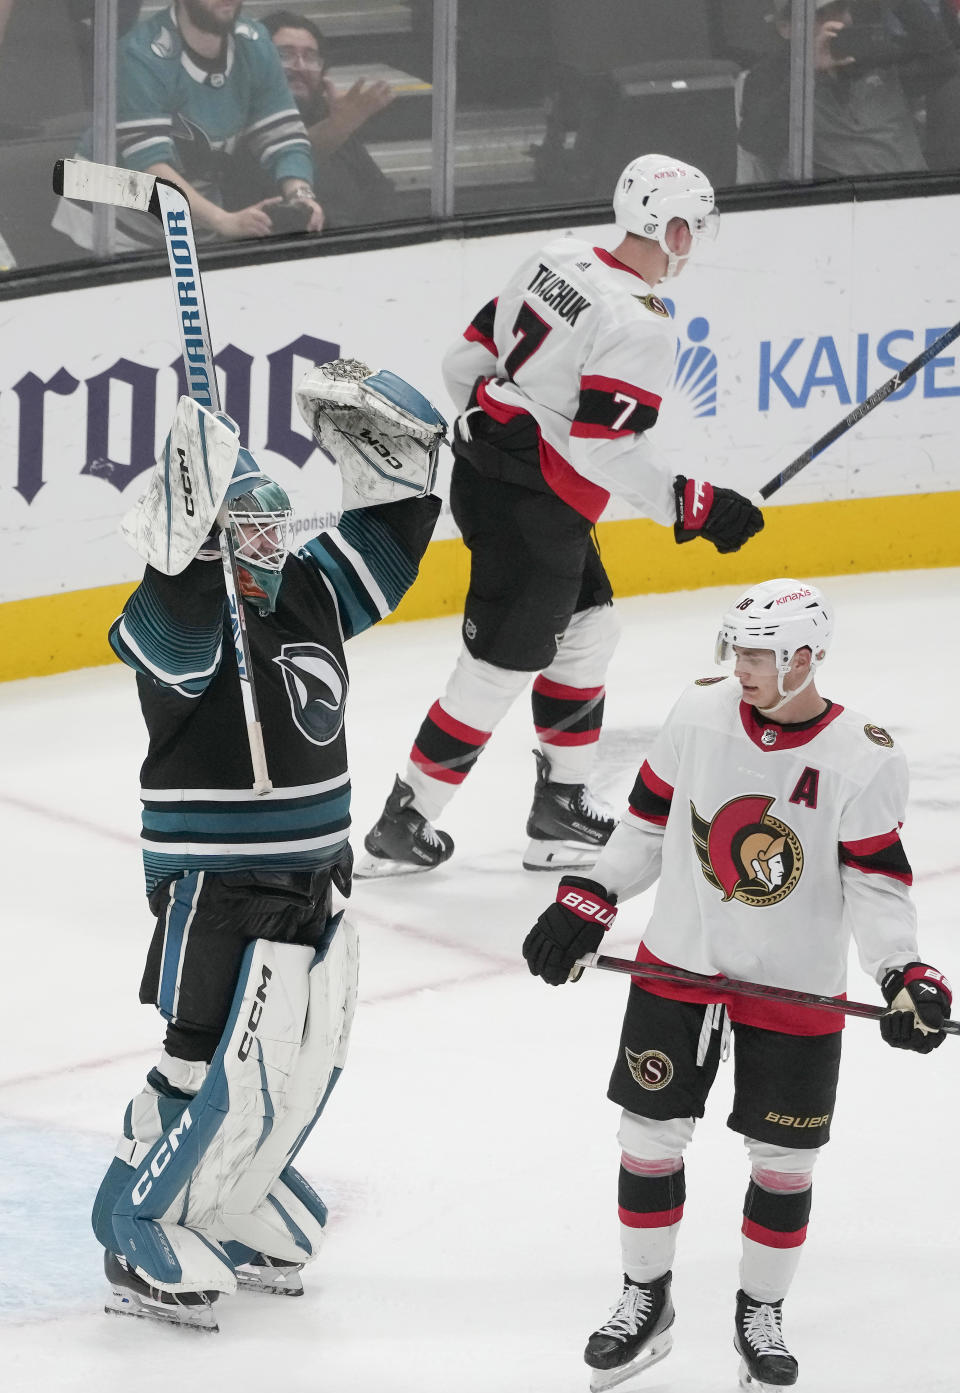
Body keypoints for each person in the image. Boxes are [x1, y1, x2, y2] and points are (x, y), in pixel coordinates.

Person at [522, 577, 951, 1393]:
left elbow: (876, 884)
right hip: (680, 967)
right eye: (740, 649)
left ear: (804, 658)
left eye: (759, 653)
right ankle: (647, 1299)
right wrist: (594, 894)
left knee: (785, 1163)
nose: (741, 665)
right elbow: (648, 822)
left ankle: (762, 1314)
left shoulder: (862, 755)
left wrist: (903, 971)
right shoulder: (699, 712)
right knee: (647, 1138)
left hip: (794, 988)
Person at [90, 361, 444, 1330]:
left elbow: (392, 537)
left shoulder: (309, 590)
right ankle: (136, 1218)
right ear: (200, 531)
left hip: (313, 869)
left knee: (301, 1055)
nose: (265, 539)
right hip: (217, 877)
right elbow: (181, 642)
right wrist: (191, 543)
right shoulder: (170, 609)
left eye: (270, 519)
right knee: (210, 1062)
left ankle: (233, 1196)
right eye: (240, 523)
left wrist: (398, 445)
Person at [356, 153, 764, 881]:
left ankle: (560, 810)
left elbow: (464, 362)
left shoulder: (559, 257)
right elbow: (601, 447)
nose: (692, 245)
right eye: (690, 229)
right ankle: (405, 819)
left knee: (589, 628)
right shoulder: (639, 324)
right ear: (667, 229)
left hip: (495, 480)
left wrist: (514, 425)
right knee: (494, 670)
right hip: (535, 510)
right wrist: (695, 505)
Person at [53, 0, 323, 253]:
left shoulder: (255, 43)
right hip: (106, 225)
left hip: (190, 223)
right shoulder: (140, 52)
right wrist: (222, 221)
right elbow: (149, 166)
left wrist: (301, 195)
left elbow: (285, 138)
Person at [739, 0, 960, 179]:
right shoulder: (769, 75)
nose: (841, 20)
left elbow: (944, 62)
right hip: (835, 211)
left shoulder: (877, 55)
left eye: (843, 8)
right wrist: (809, 72)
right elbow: (756, 141)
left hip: (914, 199)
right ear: (786, 27)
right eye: (824, 13)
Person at [250, 9, 396, 229]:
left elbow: (382, 198)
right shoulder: (238, 125)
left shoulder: (337, 122)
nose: (299, 66)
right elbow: (267, 174)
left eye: (310, 57)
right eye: (284, 55)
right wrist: (335, 129)